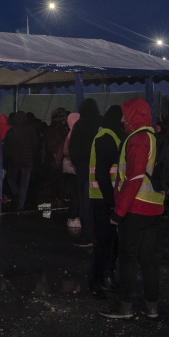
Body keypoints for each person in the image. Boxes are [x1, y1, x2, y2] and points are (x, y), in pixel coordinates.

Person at [99, 98, 164, 320]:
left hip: (135, 208)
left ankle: (125, 306)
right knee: (148, 259)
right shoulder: (152, 137)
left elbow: (133, 178)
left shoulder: (136, 139)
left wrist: (119, 212)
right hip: (153, 206)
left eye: (125, 113)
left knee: (128, 259)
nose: (122, 117)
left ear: (133, 115)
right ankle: (151, 306)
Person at [88, 104, 123, 298]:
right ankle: (97, 281)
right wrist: (111, 201)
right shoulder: (107, 137)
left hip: (106, 197)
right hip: (104, 198)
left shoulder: (110, 135)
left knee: (110, 243)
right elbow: (102, 173)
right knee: (104, 243)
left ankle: (105, 278)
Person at [68, 99, 102, 247]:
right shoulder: (101, 122)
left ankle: (87, 237)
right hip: (102, 166)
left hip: (85, 166)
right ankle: (101, 235)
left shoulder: (80, 125)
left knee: (85, 202)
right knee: (101, 202)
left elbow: (73, 148)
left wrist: (78, 163)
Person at [4, 111, 39, 211]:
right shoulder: (31, 131)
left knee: (11, 180)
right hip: (27, 161)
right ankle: (21, 205)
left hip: (14, 161)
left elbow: (7, 147)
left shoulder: (11, 132)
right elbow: (35, 146)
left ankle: (16, 193)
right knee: (24, 184)